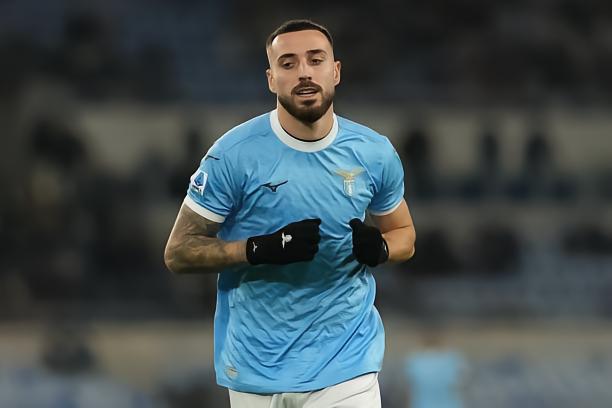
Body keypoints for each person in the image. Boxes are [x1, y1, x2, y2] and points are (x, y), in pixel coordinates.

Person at [164, 19, 416, 408]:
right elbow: (178, 252)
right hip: (255, 368)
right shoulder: (233, 155)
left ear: (335, 71)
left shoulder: (374, 153)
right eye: (288, 63)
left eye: (315, 60)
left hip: (346, 366)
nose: (304, 73)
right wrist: (258, 249)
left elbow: (404, 234)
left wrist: (380, 249)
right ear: (271, 79)